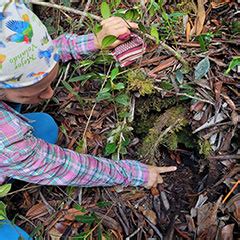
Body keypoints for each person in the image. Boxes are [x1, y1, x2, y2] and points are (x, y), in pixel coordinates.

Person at [0, 1, 176, 238]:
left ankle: (15, 166)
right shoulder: (6, 137)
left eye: (50, 82)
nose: (49, 94)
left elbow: (41, 54)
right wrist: (133, 174)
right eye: (35, 91)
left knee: (44, 127)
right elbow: (64, 166)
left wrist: (97, 40)